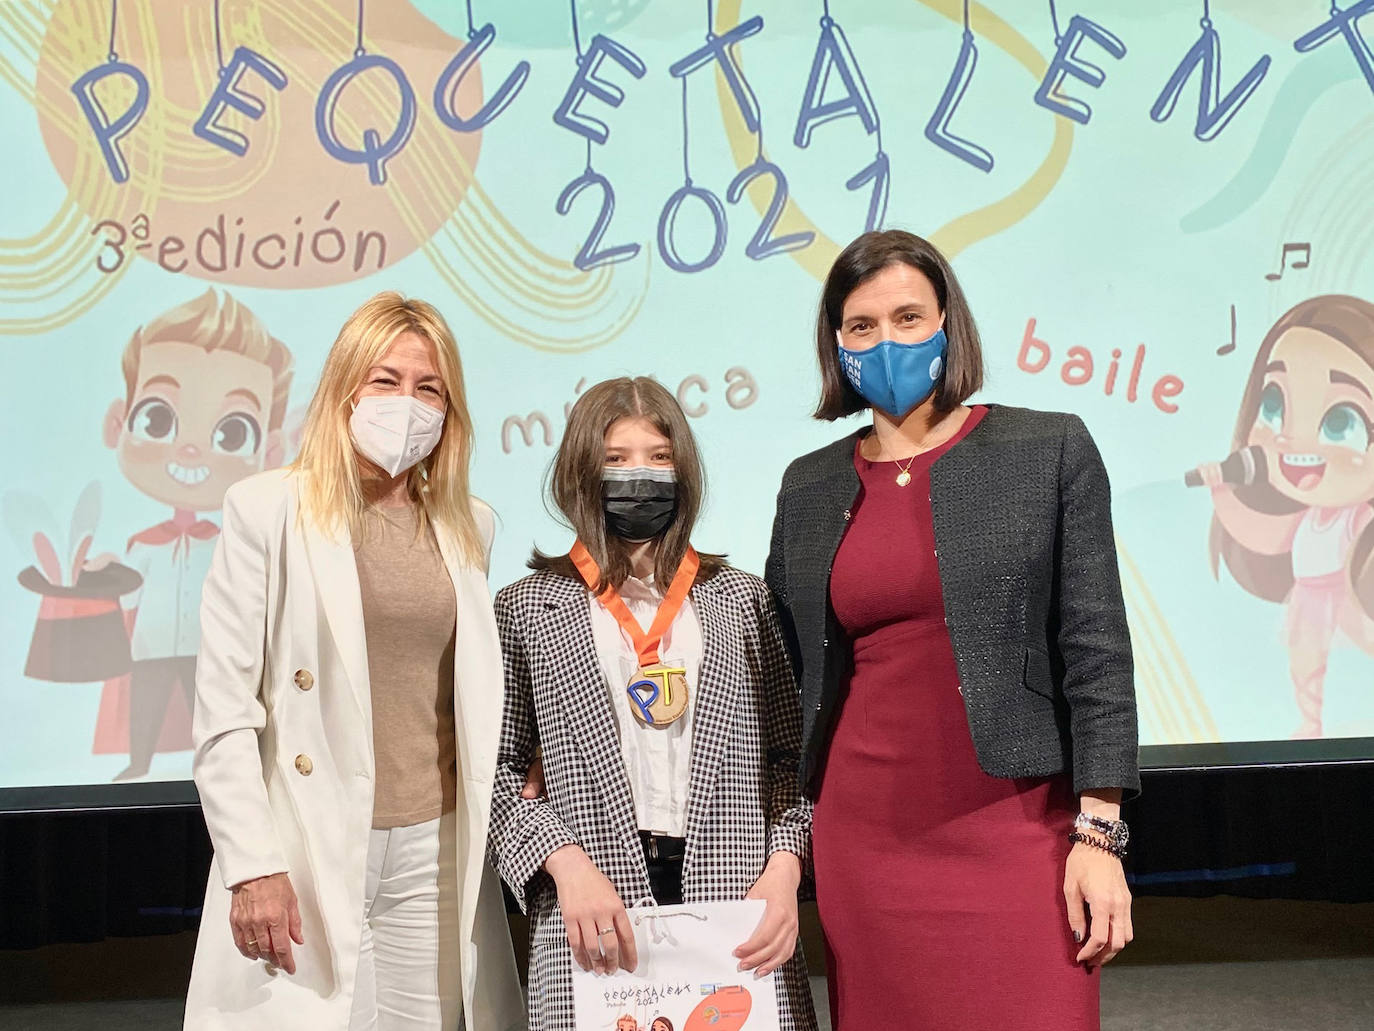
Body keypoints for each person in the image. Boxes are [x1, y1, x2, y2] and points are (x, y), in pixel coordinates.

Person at [764, 230, 1139, 1030]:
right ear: (837, 343)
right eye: (861, 325)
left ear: (948, 325)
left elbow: (1098, 656)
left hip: (1020, 833)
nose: (886, 340)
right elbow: (785, 673)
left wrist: (1100, 834)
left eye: (908, 317)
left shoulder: (1049, 448)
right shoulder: (808, 486)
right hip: (865, 842)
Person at [183, 292, 524, 1030]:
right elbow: (223, 711)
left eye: (428, 388)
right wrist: (253, 865)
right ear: (344, 389)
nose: (407, 404)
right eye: (385, 380)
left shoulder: (472, 526)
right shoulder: (268, 509)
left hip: (432, 846)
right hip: (308, 840)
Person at [488, 377, 817, 1031]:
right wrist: (563, 860)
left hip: (738, 905)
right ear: (582, 471)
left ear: (684, 470)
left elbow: (792, 757)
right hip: (592, 908)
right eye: (616, 458)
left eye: (658, 456)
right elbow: (495, 772)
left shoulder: (742, 601)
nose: (639, 473)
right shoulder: (526, 608)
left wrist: (785, 866)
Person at [96, 288, 294, 781]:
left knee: (211, 711)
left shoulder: (233, 540)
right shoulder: (142, 544)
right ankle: (139, 764)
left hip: (208, 650)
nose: (189, 449)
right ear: (116, 423)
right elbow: (125, 597)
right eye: (157, 418)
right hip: (149, 646)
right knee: (146, 704)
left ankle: (206, 771)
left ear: (270, 452)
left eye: (232, 432)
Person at [1193, 294, 1374, 738]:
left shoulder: (1357, 521)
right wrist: (1222, 490)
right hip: (1306, 606)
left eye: (1341, 422)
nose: (1292, 440)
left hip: (1345, 611)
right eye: (1273, 405)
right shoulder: (1304, 517)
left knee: (1347, 679)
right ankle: (1310, 724)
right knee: (1306, 670)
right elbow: (1262, 532)